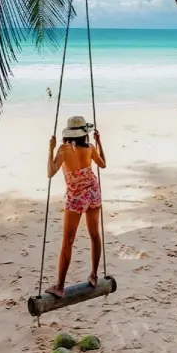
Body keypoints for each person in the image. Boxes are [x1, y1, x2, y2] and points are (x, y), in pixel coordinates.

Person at [46, 115, 106, 298]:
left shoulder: (64, 149)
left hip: (76, 197)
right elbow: (103, 164)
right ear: (84, 134)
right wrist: (99, 142)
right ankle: (94, 275)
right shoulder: (90, 148)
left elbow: (50, 172)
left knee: (68, 242)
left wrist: (50, 149)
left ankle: (60, 286)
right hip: (93, 192)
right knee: (94, 235)